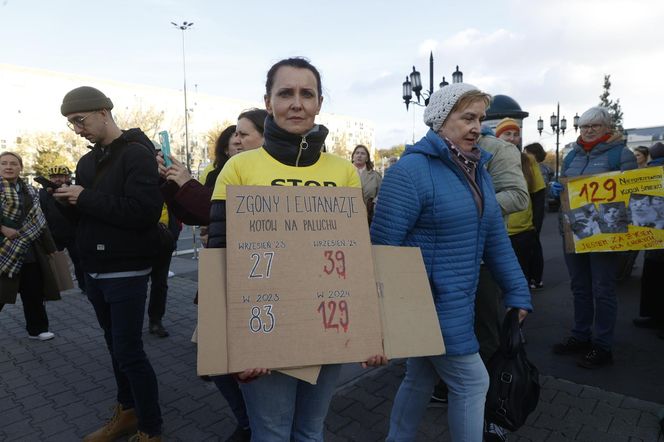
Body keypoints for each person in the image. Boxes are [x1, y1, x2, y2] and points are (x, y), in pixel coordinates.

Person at [208, 57, 386, 441]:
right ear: (268, 100)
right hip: (263, 328)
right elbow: (220, 261)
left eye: (307, 94)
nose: (296, 103)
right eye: (285, 93)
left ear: (320, 102)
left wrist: (370, 332)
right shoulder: (239, 168)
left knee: (310, 431)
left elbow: (354, 258)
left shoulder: (342, 172)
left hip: (324, 323)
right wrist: (236, 346)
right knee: (270, 432)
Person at [371, 83, 532, 441]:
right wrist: (380, 320)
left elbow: (494, 237)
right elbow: (382, 248)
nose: (477, 126)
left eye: (479, 118)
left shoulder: (477, 170)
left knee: (420, 376)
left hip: (458, 300)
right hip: (429, 305)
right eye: (467, 117)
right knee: (474, 382)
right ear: (441, 121)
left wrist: (518, 291)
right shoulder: (411, 171)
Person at [56, 86, 163, 441]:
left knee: (130, 352)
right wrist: (63, 204)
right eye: (71, 124)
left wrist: (85, 197)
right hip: (94, 270)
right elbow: (88, 216)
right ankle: (127, 411)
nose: (77, 129)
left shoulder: (137, 154)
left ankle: (151, 428)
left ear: (103, 112)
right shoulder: (87, 162)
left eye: (79, 120)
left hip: (127, 270)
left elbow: (144, 212)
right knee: (114, 347)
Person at [550, 106, 637, 369]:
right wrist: (558, 189)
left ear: (607, 128)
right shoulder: (571, 155)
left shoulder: (621, 154)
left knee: (603, 289)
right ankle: (580, 336)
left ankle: (602, 346)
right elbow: (565, 184)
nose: (587, 131)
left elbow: (634, 192)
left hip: (606, 232)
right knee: (580, 287)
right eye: (584, 127)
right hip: (574, 230)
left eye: (594, 126)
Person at [1, 151, 60, 341]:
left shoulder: (31, 191)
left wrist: (51, 249)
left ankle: (37, 329)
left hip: (30, 251)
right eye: (4, 163)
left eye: (13, 163)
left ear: (20, 168)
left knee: (33, 292)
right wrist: (2, 228)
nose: (8, 167)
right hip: (4, 251)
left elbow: (40, 223)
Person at [37, 164, 86, 293]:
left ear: (67, 177)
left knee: (79, 262)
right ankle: (52, 289)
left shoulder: (73, 190)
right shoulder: (43, 193)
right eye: (54, 177)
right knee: (50, 264)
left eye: (60, 176)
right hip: (53, 234)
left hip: (73, 233)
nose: (57, 179)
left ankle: (84, 287)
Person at [633, 142, 664, 337]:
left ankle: (654, 316)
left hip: (652, 230)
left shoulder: (648, 171)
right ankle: (657, 320)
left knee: (653, 275)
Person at [507, 153, 544, 287]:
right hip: (498, 228)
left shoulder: (527, 160)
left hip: (522, 229)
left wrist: (536, 226)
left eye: (516, 134)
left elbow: (538, 195)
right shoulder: (488, 155)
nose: (511, 138)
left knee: (521, 273)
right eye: (507, 134)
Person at [351, 144, 382, 222]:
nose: (359, 155)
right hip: (348, 216)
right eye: (357, 153)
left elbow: (381, 195)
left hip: (369, 218)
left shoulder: (376, 176)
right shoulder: (344, 173)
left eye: (362, 153)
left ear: (367, 158)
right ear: (353, 157)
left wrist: (373, 204)